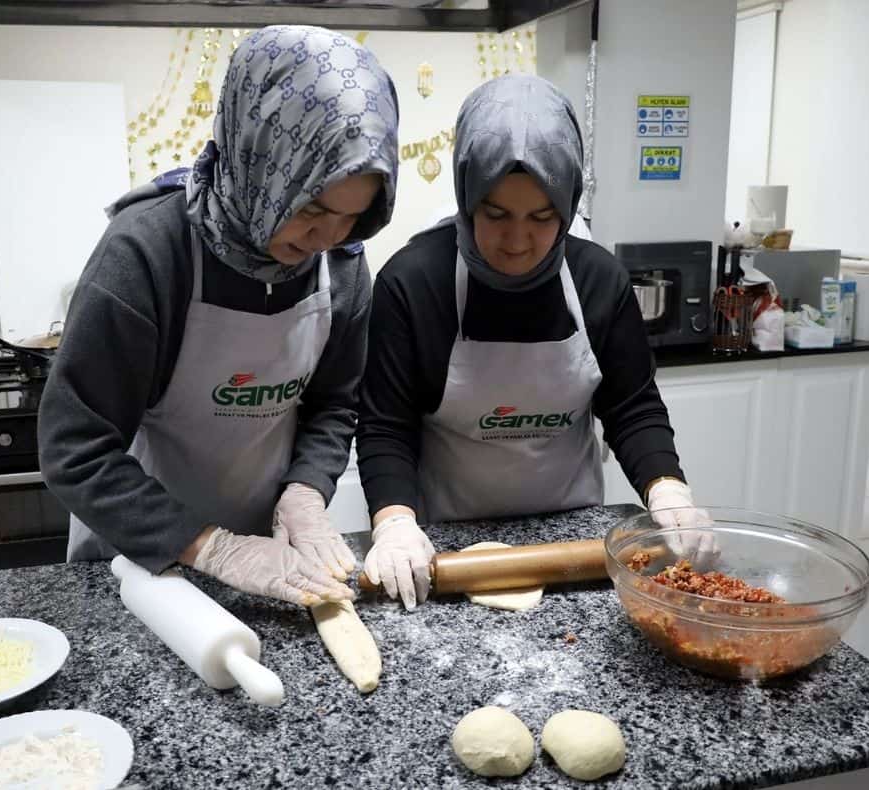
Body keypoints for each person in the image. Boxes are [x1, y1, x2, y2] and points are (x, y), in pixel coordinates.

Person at [39, 25, 399, 608]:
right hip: (136, 564)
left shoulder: (342, 263)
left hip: (271, 565)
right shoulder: (147, 254)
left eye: (352, 216)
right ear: (260, 162)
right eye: (310, 206)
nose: (327, 237)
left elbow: (335, 402)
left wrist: (306, 490)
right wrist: (213, 548)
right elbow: (75, 449)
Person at [355, 75, 709, 609]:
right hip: (448, 548)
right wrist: (395, 524)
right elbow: (385, 426)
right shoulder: (413, 284)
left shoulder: (599, 282)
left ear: (567, 208)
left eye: (542, 218)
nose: (517, 242)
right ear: (465, 195)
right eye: (495, 214)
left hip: (573, 541)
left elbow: (631, 407)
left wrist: (668, 489)